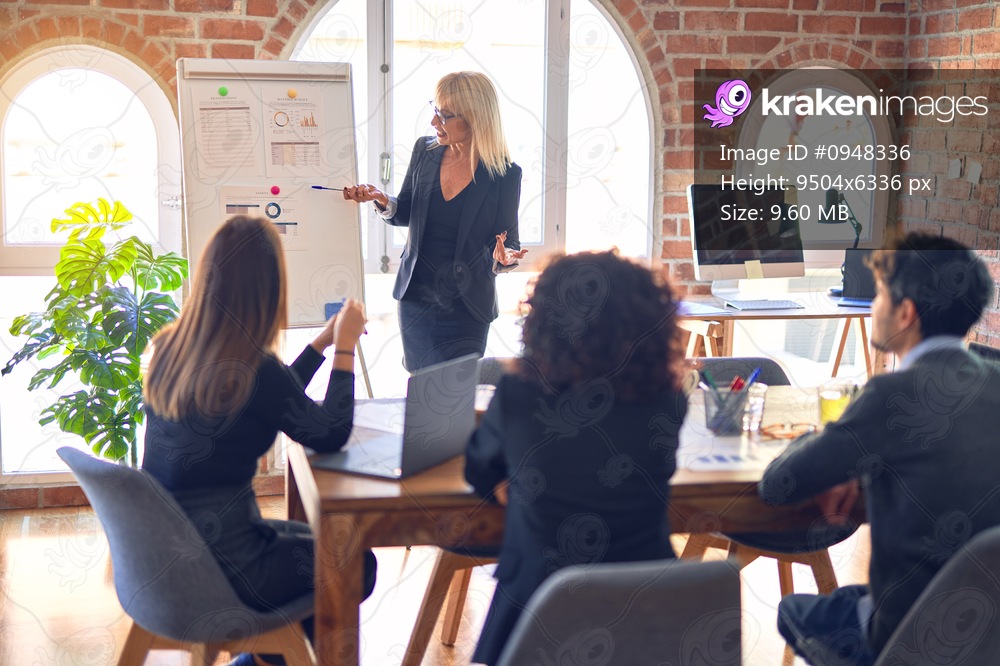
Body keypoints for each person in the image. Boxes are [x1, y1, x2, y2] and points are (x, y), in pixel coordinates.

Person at [141, 215, 377, 665]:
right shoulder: (253, 367)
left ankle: (274, 657)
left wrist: (321, 345)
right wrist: (346, 348)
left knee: (315, 550)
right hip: (229, 569)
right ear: (266, 291)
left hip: (168, 558)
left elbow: (274, 398)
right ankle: (272, 657)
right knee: (355, 564)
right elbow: (327, 432)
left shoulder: (171, 349)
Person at [759, 232, 1000, 665]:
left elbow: (779, 485)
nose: (874, 306)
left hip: (907, 637)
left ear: (906, 313)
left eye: (881, 295)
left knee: (794, 609)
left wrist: (833, 440)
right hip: (988, 636)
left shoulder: (894, 394)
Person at [464, 250, 689, 665]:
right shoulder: (668, 402)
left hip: (539, 617)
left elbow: (478, 470)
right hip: (650, 614)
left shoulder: (519, 394)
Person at [343, 71, 527, 372]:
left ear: (474, 118)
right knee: (421, 391)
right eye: (435, 110)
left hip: (468, 306)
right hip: (416, 298)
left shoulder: (505, 173)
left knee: (457, 396)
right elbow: (405, 212)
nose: (433, 122)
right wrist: (383, 200)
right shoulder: (424, 152)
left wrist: (504, 258)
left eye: (444, 115)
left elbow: (509, 243)